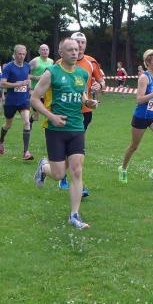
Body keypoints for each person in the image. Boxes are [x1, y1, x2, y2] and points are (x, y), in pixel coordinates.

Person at [31, 38, 98, 229]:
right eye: (70, 50)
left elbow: (81, 94)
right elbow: (34, 98)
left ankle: (74, 215)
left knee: (76, 170)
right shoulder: (51, 72)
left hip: (76, 127)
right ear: (61, 53)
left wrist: (88, 102)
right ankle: (44, 167)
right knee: (59, 174)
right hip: (55, 130)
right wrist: (51, 116)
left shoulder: (83, 73)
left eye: (76, 49)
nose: (75, 53)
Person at [53, 32, 105, 194]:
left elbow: (101, 81)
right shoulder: (59, 63)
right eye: (77, 42)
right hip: (65, 111)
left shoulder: (91, 62)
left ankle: (67, 179)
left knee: (75, 149)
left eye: (83, 42)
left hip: (84, 110)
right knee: (74, 149)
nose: (80, 45)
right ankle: (70, 180)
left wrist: (99, 86)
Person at [118, 49, 153, 185]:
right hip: (141, 116)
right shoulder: (144, 77)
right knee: (134, 146)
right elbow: (139, 99)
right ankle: (123, 168)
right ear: (148, 62)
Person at [0, 44, 33, 160]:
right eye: (19, 54)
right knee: (8, 125)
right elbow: (2, 83)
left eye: (23, 54)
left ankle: (26, 152)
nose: (21, 56)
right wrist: (17, 84)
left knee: (27, 122)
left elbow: (27, 79)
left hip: (24, 100)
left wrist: (29, 87)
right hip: (11, 101)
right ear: (14, 54)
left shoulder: (27, 66)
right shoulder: (8, 67)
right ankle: (1, 140)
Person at [29, 44, 53, 124]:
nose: (45, 51)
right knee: (36, 117)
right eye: (43, 49)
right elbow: (25, 74)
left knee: (49, 111)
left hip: (47, 91)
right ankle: (29, 122)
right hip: (36, 91)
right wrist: (37, 78)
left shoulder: (51, 61)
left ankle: (50, 127)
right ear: (39, 51)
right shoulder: (35, 61)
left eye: (46, 49)